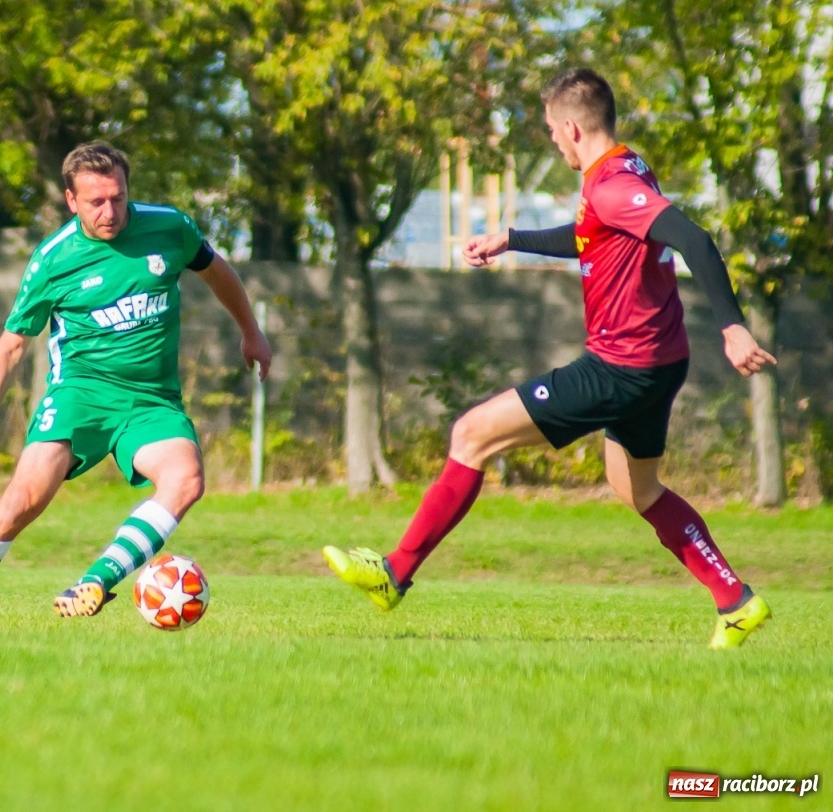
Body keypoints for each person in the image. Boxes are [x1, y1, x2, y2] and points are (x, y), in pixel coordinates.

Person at [324, 68, 777, 649]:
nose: (552, 141)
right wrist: (511, 238)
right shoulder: (625, 169)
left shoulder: (612, 186)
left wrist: (734, 327)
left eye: (550, 131)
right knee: (639, 489)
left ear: (570, 126)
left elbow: (695, 239)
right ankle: (736, 601)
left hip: (621, 366)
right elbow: (593, 234)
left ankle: (394, 572)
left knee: (471, 435)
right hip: (660, 362)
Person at [0, 142, 273, 628]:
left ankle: (97, 580)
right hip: (78, 395)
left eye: (118, 198)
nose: (110, 212)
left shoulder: (170, 227)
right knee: (21, 502)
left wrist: (251, 332)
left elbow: (218, 273)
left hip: (151, 401)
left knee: (186, 480)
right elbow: (9, 347)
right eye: (96, 202)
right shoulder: (53, 260)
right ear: (71, 200)